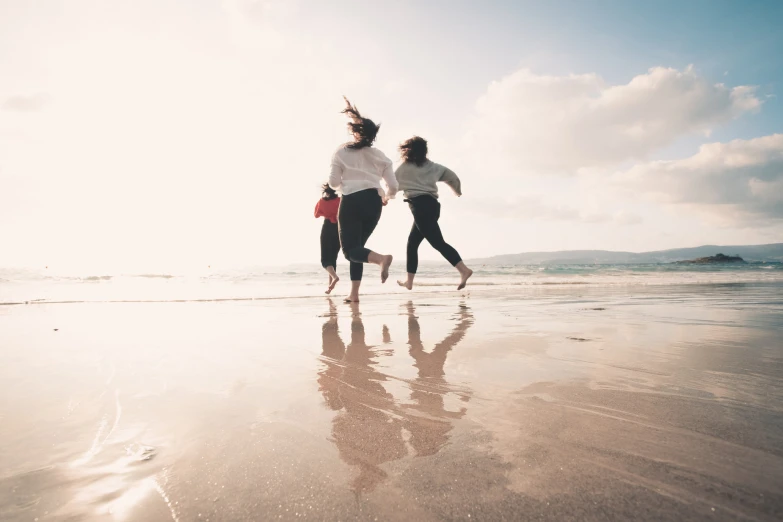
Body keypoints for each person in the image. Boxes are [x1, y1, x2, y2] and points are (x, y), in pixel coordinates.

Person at [328, 97, 398, 302]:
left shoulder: (341, 152)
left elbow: (333, 182)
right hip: (374, 202)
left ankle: (381, 259)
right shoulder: (381, 156)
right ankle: (354, 294)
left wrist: (347, 187)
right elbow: (393, 186)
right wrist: (386, 196)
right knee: (359, 248)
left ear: (354, 131)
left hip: (351, 201)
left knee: (350, 251)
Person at [394, 136, 473, 290]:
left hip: (419, 207)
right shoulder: (433, 166)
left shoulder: (405, 167)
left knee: (437, 242)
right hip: (432, 206)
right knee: (412, 244)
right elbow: (453, 178)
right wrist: (457, 192)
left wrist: (386, 197)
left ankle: (464, 270)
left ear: (408, 150)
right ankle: (409, 282)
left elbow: (392, 183)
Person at [314, 183, 341, 294]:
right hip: (339, 228)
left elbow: (316, 214)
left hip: (327, 227)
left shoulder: (322, 201)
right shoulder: (340, 200)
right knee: (333, 258)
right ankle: (330, 287)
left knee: (325, 260)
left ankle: (334, 278)